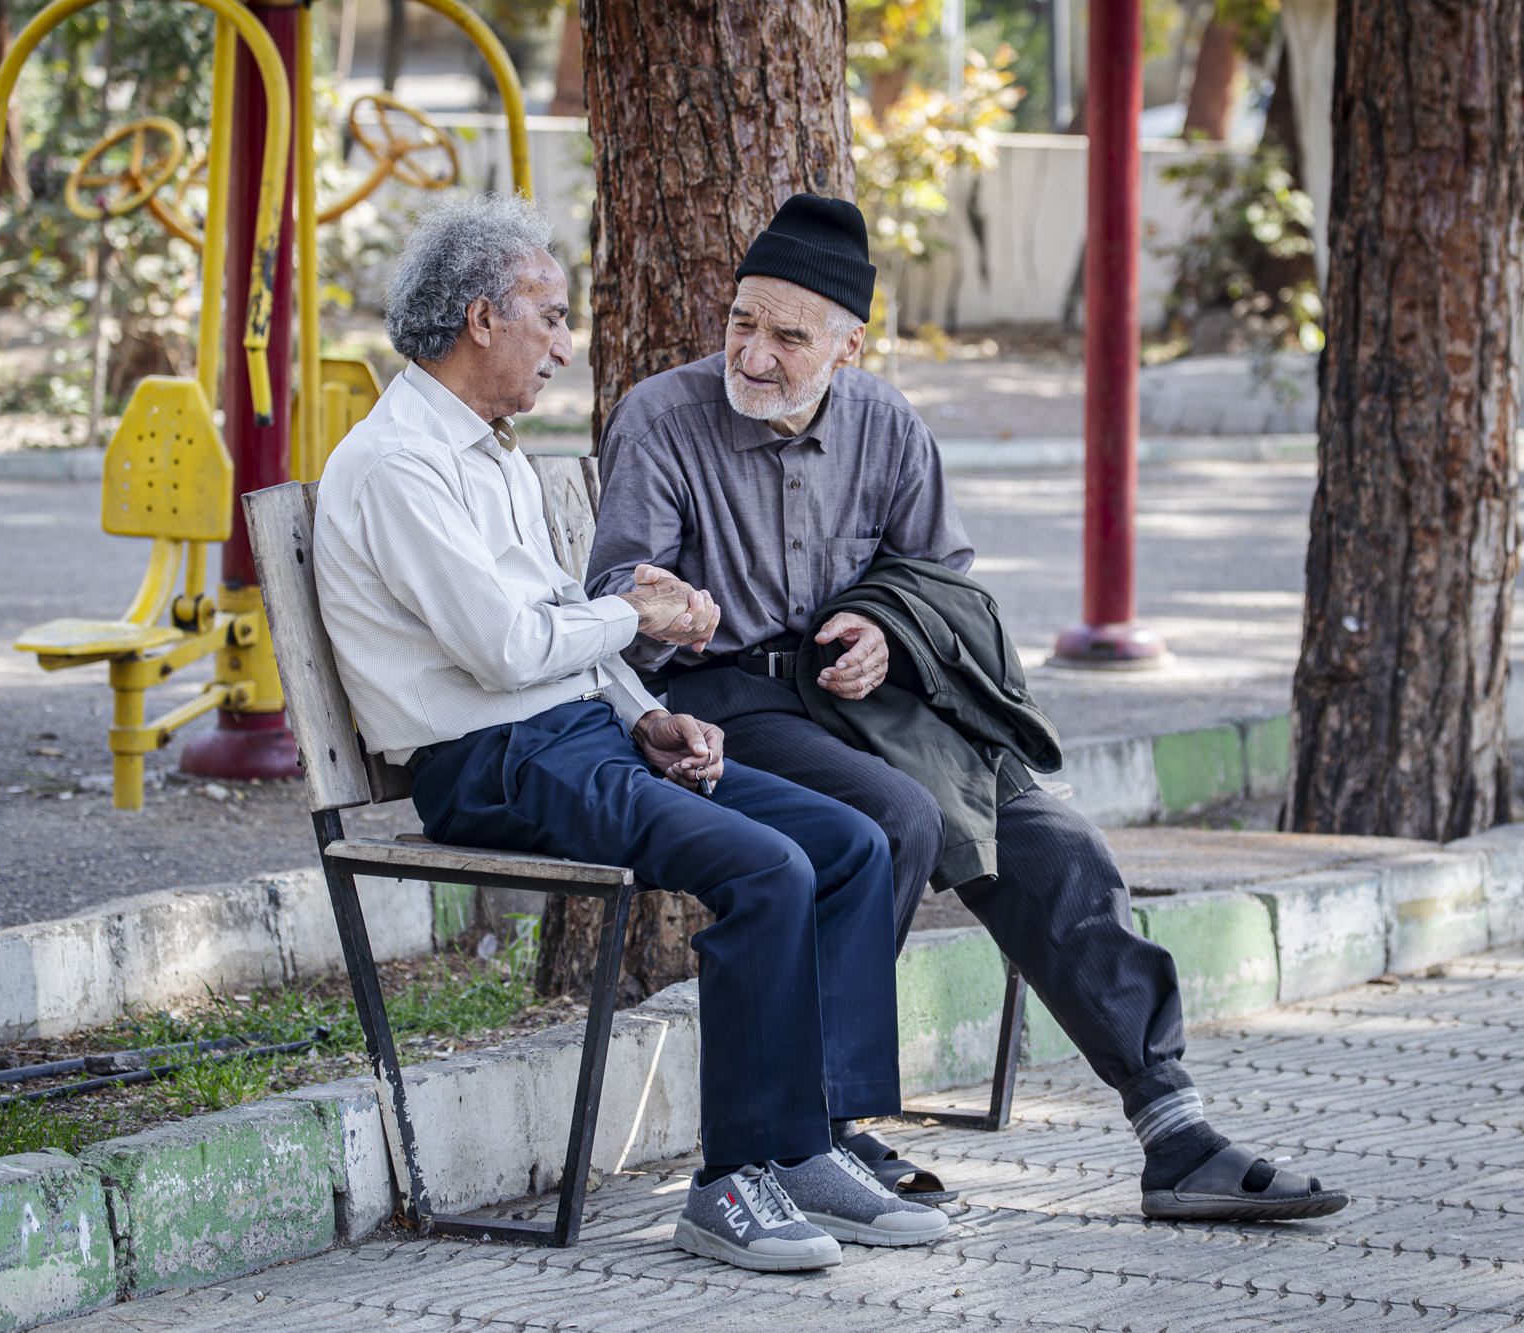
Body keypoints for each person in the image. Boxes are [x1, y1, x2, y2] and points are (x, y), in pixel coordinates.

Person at [587, 193, 1350, 1223]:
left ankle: (1173, 1129)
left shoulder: (887, 424)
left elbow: (941, 578)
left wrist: (882, 630)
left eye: (787, 337)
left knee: (1054, 843)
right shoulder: (662, 418)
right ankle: (821, 1130)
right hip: (726, 696)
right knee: (888, 820)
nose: (753, 354)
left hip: (872, 697)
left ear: (847, 348)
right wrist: (660, 608)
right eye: (740, 322)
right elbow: (617, 607)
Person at [313, 193, 950, 1271]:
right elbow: (508, 649)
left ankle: (805, 1150)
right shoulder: (398, 464)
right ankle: (728, 1184)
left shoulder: (489, 453)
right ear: (481, 319)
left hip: (571, 739)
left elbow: (556, 629)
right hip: (493, 764)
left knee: (850, 842)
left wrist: (648, 714)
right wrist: (642, 614)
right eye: (551, 317)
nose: (566, 346)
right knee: (767, 870)